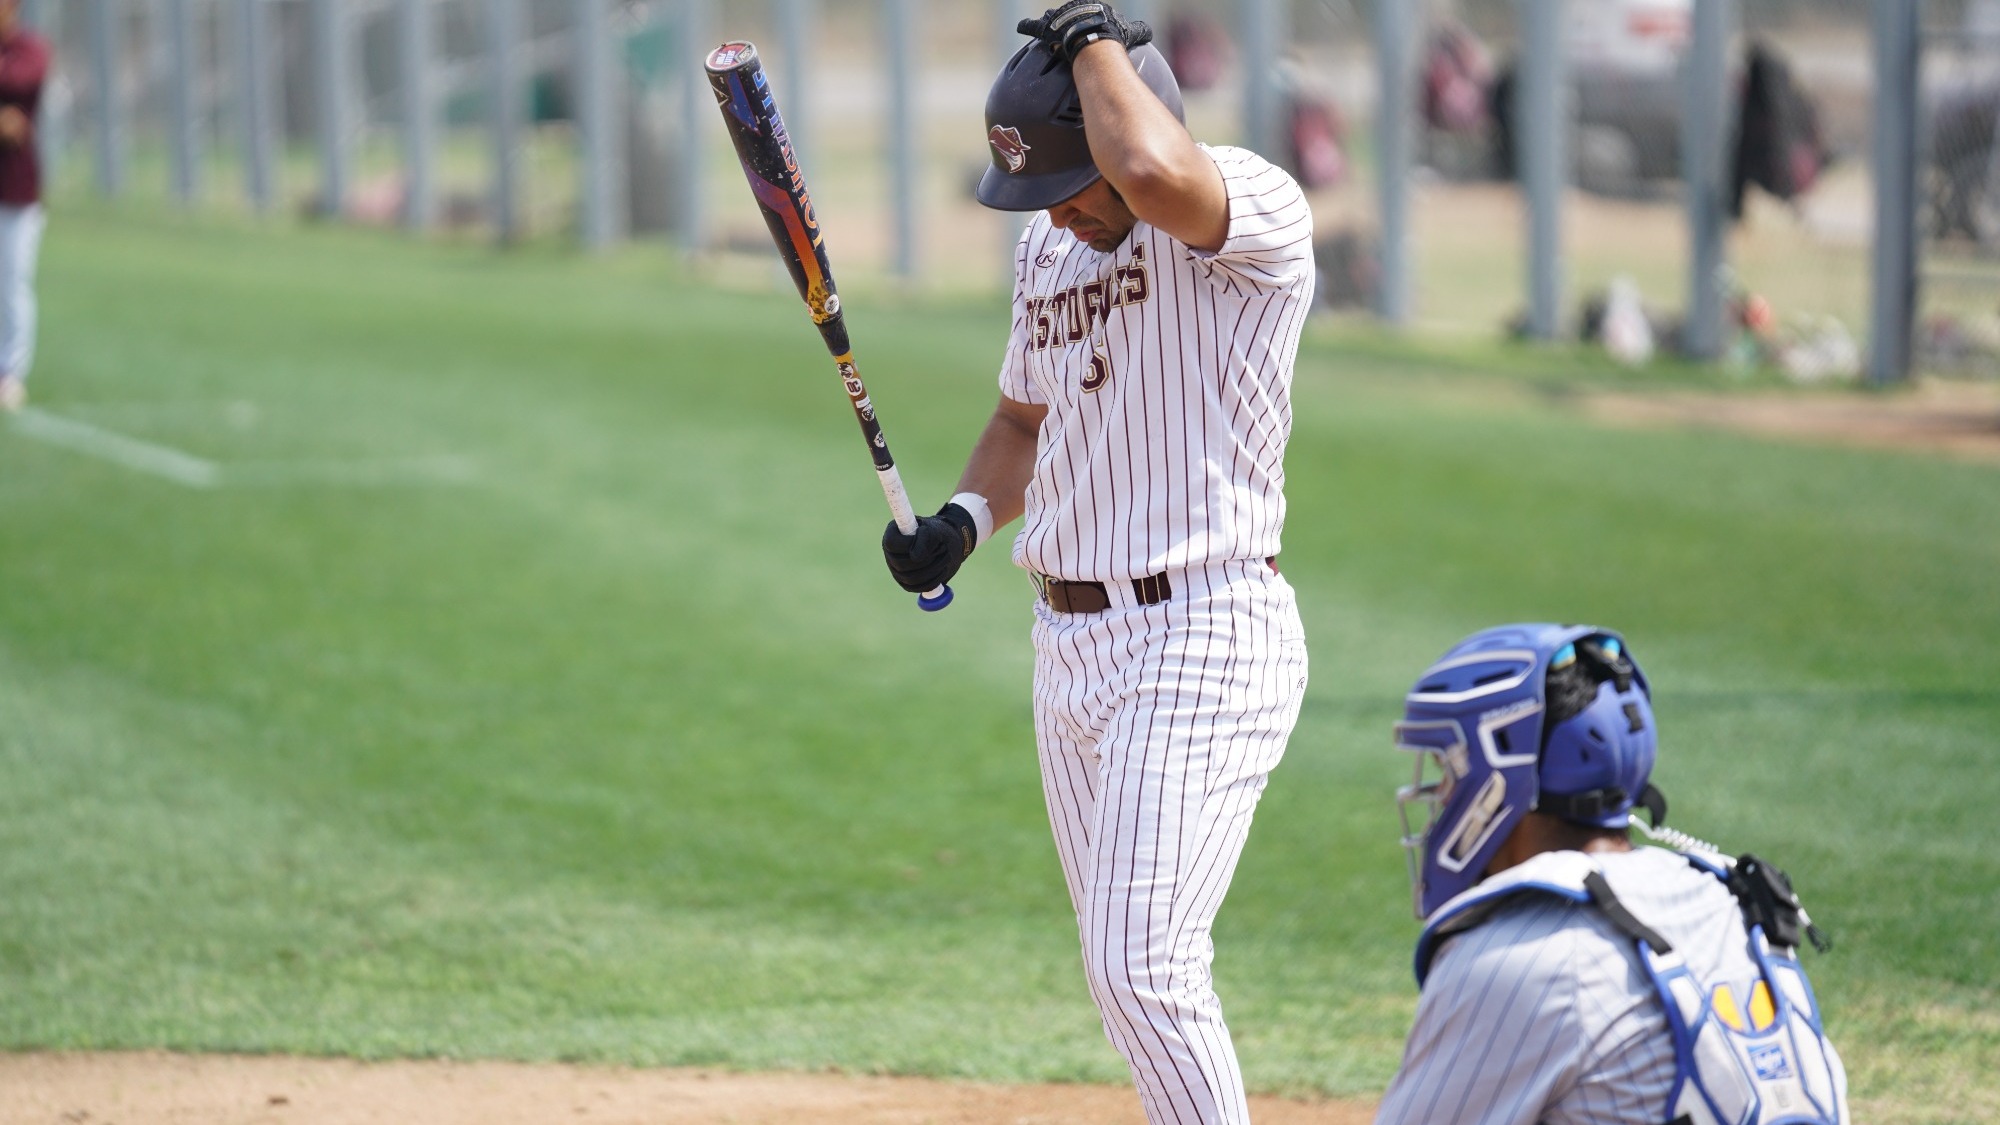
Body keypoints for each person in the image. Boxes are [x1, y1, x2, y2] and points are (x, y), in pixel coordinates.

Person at [878, 3, 1315, 1121]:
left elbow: (1150, 171)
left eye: (1070, 185)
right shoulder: (1045, 244)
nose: (1057, 216)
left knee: (1143, 966)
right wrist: (964, 520)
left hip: (1202, 633)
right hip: (1067, 648)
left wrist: (1089, 35)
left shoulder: (1246, 207)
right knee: (1122, 980)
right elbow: (1023, 421)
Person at [1380, 623, 1849, 1125]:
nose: (1441, 795)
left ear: (1500, 775)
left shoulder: (1515, 958)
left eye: (1448, 770)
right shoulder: (1731, 901)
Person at [0, 0, 48, 414]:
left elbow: (21, 82)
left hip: (16, 192)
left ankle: (10, 373)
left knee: (12, 282)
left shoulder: (29, 49)